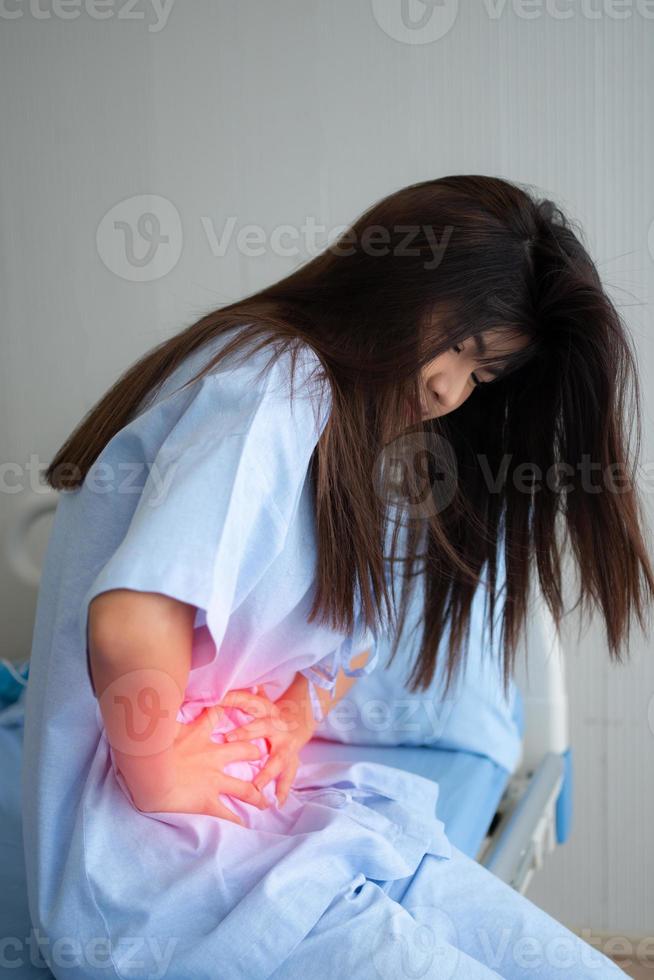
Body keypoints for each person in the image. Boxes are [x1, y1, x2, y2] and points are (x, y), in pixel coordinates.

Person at [23, 175, 651, 978]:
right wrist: (156, 770)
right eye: (457, 344)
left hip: (279, 840)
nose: (448, 390)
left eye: (482, 376)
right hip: (160, 889)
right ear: (396, 278)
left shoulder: (337, 421)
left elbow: (341, 641)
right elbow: (127, 622)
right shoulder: (275, 387)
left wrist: (293, 713)